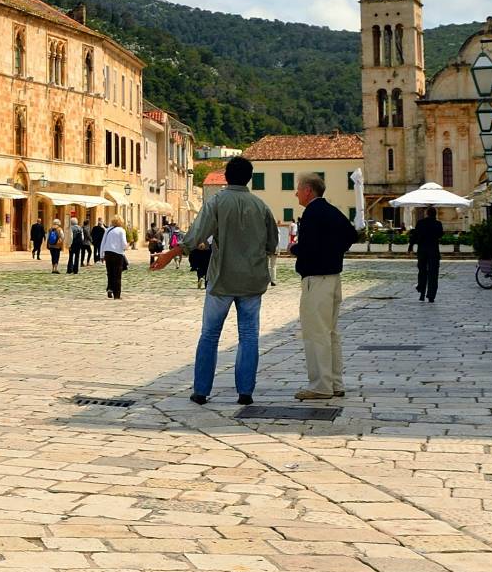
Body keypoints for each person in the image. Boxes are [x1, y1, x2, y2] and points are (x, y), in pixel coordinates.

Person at [150, 155, 279, 405]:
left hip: (222, 279)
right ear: (249, 178)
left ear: (226, 177)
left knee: (210, 335)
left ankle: (201, 390)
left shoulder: (217, 202)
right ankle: (245, 392)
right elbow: (273, 243)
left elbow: (196, 235)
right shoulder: (261, 206)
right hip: (253, 280)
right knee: (249, 336)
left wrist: (170, 254)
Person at [291, 172, 357, 401]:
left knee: (315, 333)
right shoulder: (331, 210)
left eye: (298, 188)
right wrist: (334, 251)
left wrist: (295, 250)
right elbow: (351, 234)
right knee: (331, 333)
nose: (296, 193)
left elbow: (308, 246)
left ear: (308, 190)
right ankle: (335, 382)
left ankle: (320, 385)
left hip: (316, 279)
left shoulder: (311, 213)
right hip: (333, 277)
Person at [408, 206, 444, 304]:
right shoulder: (438, 224)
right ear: (435, 214)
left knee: (422, 271)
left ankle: (422, 293)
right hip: (434, 251)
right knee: (433, 274)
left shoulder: (421, 223)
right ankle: (431, 295)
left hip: (422, 251)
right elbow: (440, 235)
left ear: (427, 213)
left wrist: (410, 246)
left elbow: (415, 235)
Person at [102, 218, 129, 299]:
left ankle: (110, 288)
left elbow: (103, 242)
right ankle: (117, 295)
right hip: (117, 254)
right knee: (117, 274)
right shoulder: (121, 230)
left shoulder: (107, 230)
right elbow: (124, 244)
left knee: (110, 272)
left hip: (108, 253)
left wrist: (101, 255)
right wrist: (127, 246)